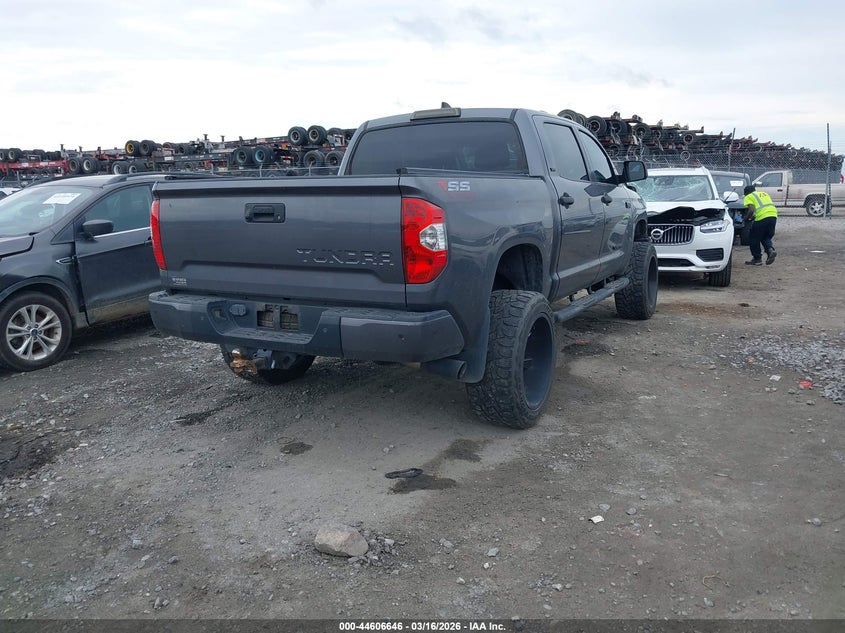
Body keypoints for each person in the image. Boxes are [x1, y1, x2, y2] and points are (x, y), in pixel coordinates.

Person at [743, 184, 778, 265]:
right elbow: (762, 207)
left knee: (753, 238)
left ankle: (757, 259)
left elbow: (751, 210)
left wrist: (746, 218)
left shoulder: (748, 196)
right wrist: (754, 217)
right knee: (766, 236)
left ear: (746, 193)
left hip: (762, 217)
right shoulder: (764, 194)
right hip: (773, 216)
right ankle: (770, 250)